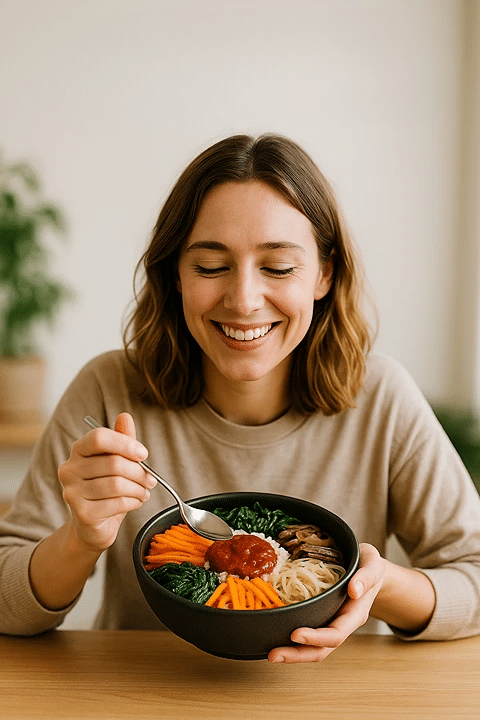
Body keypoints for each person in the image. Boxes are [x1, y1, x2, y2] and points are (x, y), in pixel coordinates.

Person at [1, 134, 479, 664]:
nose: (244, 300)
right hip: (140, 696)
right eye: (210, 267)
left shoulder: (383, 400)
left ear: (323, 273)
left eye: (277, 267)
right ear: (175, 275)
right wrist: (79, 539)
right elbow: (5, 601)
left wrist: (379, 585)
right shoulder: (110, 390)